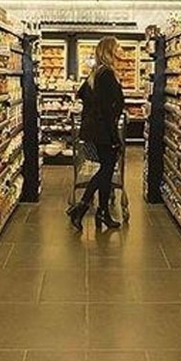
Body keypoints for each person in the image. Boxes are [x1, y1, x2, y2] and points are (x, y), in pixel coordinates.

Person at [67, 36, 125, 230]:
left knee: (106, 171)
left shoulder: (97, 72)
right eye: (118, 47)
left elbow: (82, 94)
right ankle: (82, 207)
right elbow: (107, 110)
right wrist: (114, 137)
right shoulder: (107, 74)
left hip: (96, 130)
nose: (121, 50)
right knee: (106, 170)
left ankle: (102, 211)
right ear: (110, 51)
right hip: (103, 131)